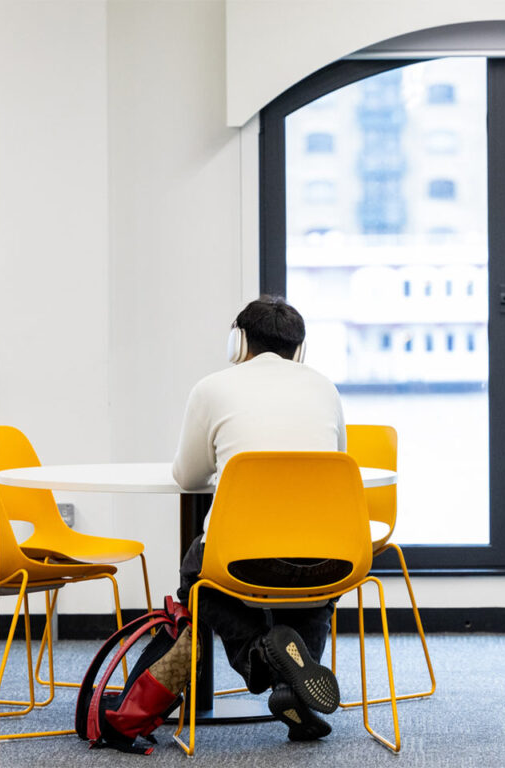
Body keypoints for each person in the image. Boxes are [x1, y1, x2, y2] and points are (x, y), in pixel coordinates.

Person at [172, 295, 347, 741]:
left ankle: (261, 656)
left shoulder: (211, 388)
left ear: (239, 341)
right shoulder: (324, 388)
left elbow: (188, 477)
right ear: (299, 349)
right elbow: (337, 465)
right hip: (328, 556)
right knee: (315, 592)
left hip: (243, 558)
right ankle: (296, 691)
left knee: (196, 574)